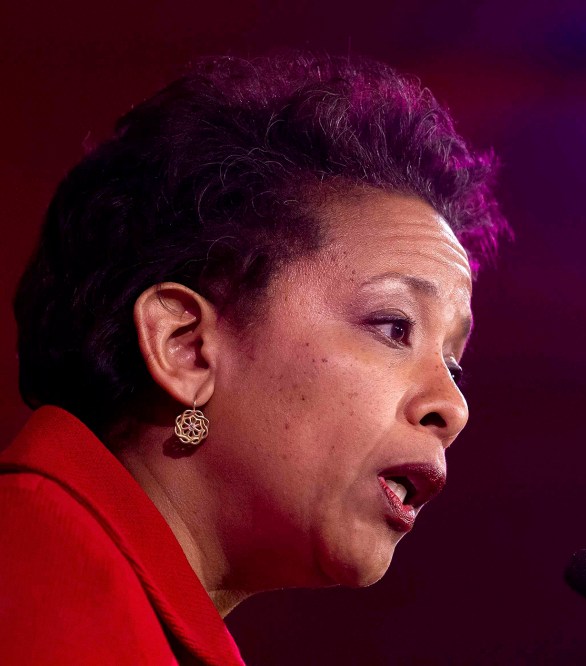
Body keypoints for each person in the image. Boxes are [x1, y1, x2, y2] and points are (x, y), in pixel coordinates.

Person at [0, 53, 507, 664]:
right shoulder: (35, 581)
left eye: (453, 365)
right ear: (186, 348)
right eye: (394, 326)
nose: (453, 408)